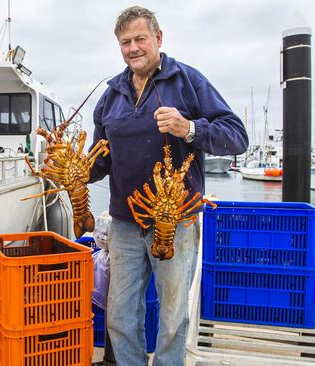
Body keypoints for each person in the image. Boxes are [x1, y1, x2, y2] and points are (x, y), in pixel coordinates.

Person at [89, 6, 248, 366]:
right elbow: (100, 159)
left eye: (140, 39)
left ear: (158, 39)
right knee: (119, 313)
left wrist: (189, 128)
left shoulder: (188, 80)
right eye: (125, 42)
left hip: (176, 222)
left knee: (173, 315)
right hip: (124, 223)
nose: (133, 48)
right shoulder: (111, 94)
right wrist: (72, 171)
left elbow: (237, 137)